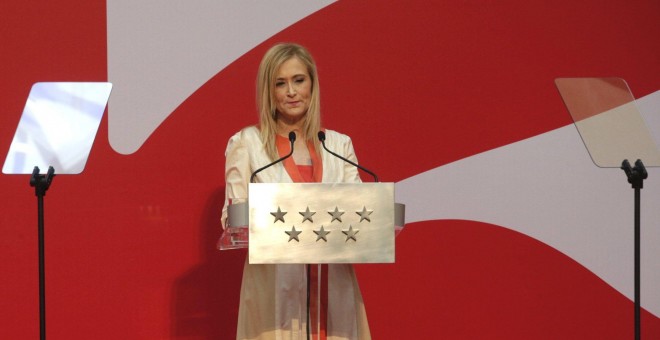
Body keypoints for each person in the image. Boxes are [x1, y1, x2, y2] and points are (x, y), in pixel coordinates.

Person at [220, 43, 372, 340]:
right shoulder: (247, 143)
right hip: (274, 296)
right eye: (280, 83)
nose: (291, 91)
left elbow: (364, 219)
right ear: (269, 91)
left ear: (312, 85)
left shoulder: (338, 146)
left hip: (334, 290)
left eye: (299, 80)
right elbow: (233, 219)